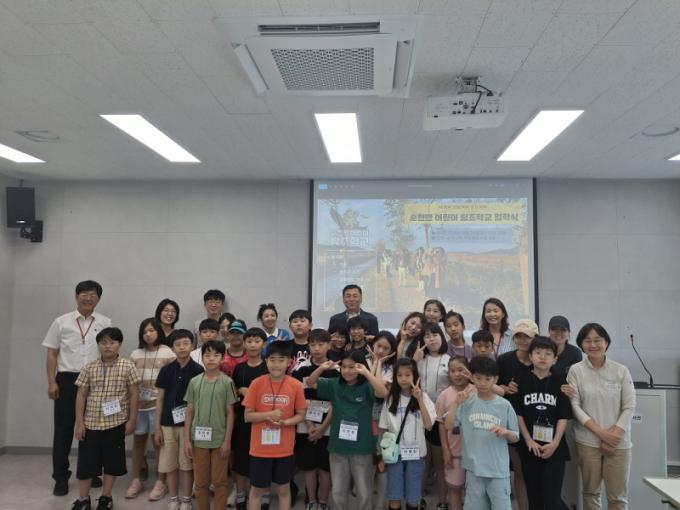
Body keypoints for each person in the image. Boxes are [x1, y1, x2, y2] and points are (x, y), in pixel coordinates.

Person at [43, 280, 111, 496]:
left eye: (93, 294)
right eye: (84, 293)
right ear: (76, 296)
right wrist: (52, 381)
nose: (88, 298)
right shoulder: (61, 322)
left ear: (98, 299)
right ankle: (61, 477)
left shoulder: (105, 322)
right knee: (63, 430)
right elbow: (52, 353)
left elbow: (108, 352)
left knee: (93, 430)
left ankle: (90, 472)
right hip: (67, 379)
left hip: (95, 380)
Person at [307, 351, 389, 510]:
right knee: (338, 490)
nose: (347, 371)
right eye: (344, 366)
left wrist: (366, 372)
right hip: (338, 446)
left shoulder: (366, 386)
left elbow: (383, 392)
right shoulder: (334, 384)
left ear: (360, 367)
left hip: (362, 447)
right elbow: (311, 382)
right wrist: (322, 368)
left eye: (352, 367)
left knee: (364, 491)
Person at [566, 323, 635, 510]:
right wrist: (602, 434)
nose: (593, 345)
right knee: (590, 493)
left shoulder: (621, 370)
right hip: (588, 442)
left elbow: (629, 406)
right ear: (581, 344)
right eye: (587, 341)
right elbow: (575, 406)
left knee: (618, 498)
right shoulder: (576, 370)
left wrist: (614, 435)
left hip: (619, 443)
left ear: (606, 342)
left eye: (598, 340)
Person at [70, 327, 140, 510]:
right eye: (103, 343)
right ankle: (83, 499)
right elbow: (81, 395)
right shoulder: (89, 367)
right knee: (86, 464)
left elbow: (134, 394)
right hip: (90, 424)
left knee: (112, 463)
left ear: (120, 344)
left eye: (112, 342)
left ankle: (106, 497)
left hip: (116, 424)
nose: (107, 346)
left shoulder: (128, 366)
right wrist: (79, 422)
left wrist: (132, 419)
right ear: (98, 345)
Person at [444, 356, 519, 510]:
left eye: (487, 379)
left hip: (498, 471)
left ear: (495, 379)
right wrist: (456, 403)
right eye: (478, 378)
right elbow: (448, 425)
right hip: (474, 471)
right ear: (472, 378)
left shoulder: (505, 405)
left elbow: (515, 437)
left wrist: (506, 432)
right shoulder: (466, 402)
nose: (482, 383)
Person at [243, 340, 307, 510]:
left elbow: (301, 415)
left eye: (281, 360)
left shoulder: (296, 385)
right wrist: (269, 415)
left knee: (284, 490)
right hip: (259, 449)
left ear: (289, 362)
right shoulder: (257, 383)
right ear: (266, 361)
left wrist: (286, 422)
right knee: (257, 490)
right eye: (272, 359)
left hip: (284, 449)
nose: (276, 364)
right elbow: (247, 416)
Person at [513, 336, 572, 510]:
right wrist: (528, 440)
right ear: (530, 356)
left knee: (552, 499)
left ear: (555, 359)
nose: (542, 357)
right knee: (534, 499)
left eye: (548, 354)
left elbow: (563, 416)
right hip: (530, 448)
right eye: (538, 353)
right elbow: (518, 414)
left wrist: (555, 443)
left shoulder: (561, 382)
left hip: (555, 448)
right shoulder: (520, 380)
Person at [183, 340, 238, 510]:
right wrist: (187, 440)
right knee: (200, 483)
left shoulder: (227, 382)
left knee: (220, 482)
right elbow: (189, 411)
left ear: (222, 358)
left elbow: (230, 413)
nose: (211, 358)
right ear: (202, 358)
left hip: (220, 440)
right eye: (207, 355)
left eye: (216, 355)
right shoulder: (194, 382)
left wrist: (227, 441)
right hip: (198, 440)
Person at [154, 329, 205, 510]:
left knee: (186, 464)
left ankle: (186, 499)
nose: (182, 347)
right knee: (169, 464)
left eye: (185, 343)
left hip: (188, 426)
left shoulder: (199, 370)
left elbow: (200, 401)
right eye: (178, 344)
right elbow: (160, 399)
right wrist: (157, 427)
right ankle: (174, 498)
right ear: (172, 348)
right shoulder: (166, 370)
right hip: (167, 424)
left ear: (192, 346)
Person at [126, 318, 176, 501]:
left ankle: (161, 482)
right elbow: (129, 382)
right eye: (145, 331)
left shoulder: (168, 352)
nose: (148, 334)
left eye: (152, 330)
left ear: (159, 332)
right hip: (139, 406)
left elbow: (173, 380)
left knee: (158, 443)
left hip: (158, 405)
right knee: (138, 442)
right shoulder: (135, 354)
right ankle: (136, 480)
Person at [292, 329, 339, 510]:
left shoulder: (337, 370)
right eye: (312, 344)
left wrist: (322, 429)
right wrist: (311, 425)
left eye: (321, 344)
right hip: (305, 424)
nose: (316, 348)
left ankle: (324, 502)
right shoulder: (300, 368)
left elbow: (337, 402)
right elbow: (298, 399)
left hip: (329, 425)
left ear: (329, 345)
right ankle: (311, 501)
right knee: (309, 467)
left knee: (325, 468)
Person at [379, 358, 436, 510]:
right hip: (395, 455)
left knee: (413, 499)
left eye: (407, 375)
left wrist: (419, 399)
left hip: (416, 455)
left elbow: (429, 425)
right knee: (394, 497)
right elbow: (384, 429)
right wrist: (382, 456)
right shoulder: (391, 399)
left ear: (415, 376)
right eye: (399, 375)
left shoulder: (423, 397)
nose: (403, 379)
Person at [496, 319, 539, 510]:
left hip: (537, 421)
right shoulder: (504, 360)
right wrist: (504, 388)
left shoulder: (540, 359)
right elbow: (492, 384)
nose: (522, 340)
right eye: (518, 336)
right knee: (519, 470)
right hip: (511, 421)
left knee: (535, 472)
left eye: (526, 336)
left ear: (535, 338)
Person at [414, 322, 450, 510]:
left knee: (439, 461)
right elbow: (406, 379)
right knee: (422, 461)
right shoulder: (419, 358)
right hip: (419, 415)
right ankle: (417, 499)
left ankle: (443, 502)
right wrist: (414, 360)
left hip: (441, 417)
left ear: (442, 337)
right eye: (427, 336)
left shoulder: (449, 359)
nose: (431, 339)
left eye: (435, 334)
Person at [232, 328, 270, 510]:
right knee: (241, 457)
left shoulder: (269, 367)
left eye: (257, 341)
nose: (253, 345)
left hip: (264, 419)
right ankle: (240, 495)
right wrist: (240, 390)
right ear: (244, 344)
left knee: (264, 458)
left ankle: (264, 495)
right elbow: (233, 391)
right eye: (249, 341)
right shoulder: (239, 368)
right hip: (243, 419)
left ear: (264, 344)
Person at [436, 357, 475, 510]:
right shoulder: (444, 395)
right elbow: (441, 425)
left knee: (475, 492)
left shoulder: (477, 390)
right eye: (453, 371)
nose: (457, 374)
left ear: (468, 371)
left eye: (461, 370)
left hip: (475, 453)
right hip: (454, 452)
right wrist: (445, 450)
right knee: (454, 489)